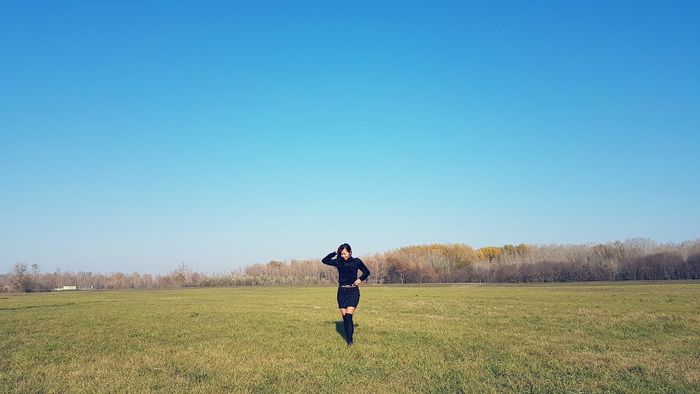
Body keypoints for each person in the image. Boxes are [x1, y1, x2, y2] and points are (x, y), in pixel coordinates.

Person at [321, 243, 370, 346]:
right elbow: (324, 260)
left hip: (353, 291)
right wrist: (335, 252)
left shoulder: (356, 261)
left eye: (344, 253)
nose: (343, 255)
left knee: (348, 316)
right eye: (341, 254)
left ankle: (349, 341)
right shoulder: (339, 262)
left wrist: (360, 279)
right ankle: (349, 338)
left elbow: (366, 272)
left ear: (350, 252)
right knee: (345, 318)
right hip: (342, 292)